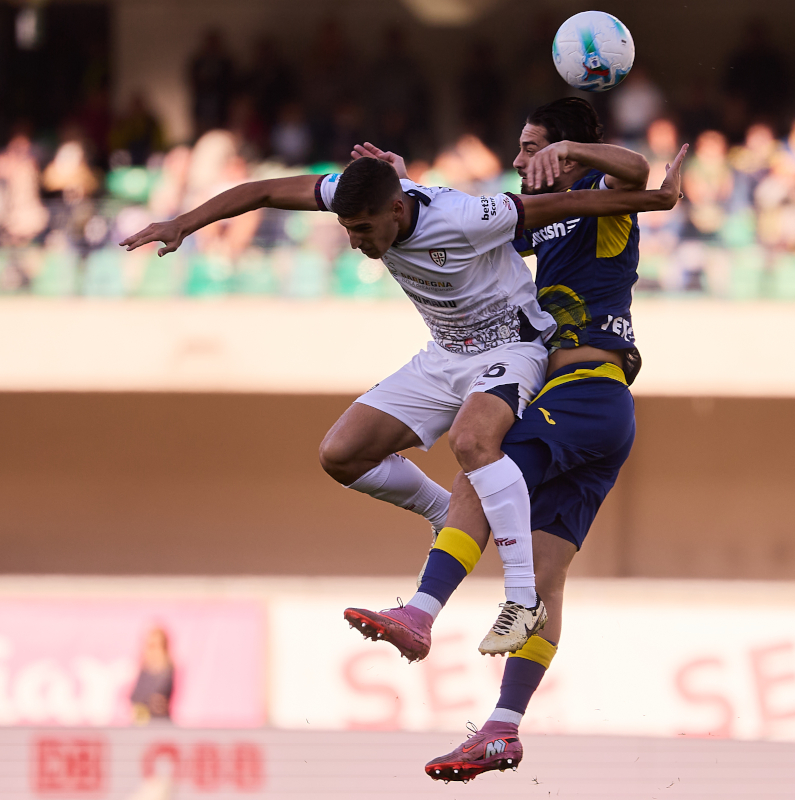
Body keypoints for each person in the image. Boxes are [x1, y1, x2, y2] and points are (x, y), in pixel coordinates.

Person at [120, 139, 686, 651]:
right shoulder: (359, 193)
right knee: (341, 454)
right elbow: (264, 189)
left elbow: (560, 207)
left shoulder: (465, 216)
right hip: (443, 355)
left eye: (363, 230)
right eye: (346, 227)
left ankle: (520, 598)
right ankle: (449, 516)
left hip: (511, 349)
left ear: (396, 209)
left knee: (473, 441)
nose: (355, 240)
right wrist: (183, 223)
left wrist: (654, 203)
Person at [344, 98, 666, 782]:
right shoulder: (541, 226)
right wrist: (401, 185)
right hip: (600, 409)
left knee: (476, 461)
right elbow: (458, 225)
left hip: (582, 394)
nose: (518, 161)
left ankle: (422, 613)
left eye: (530, 148)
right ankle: (502, 730)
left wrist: (576, 154)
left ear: (564, 151)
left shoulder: (606, 204)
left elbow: (637, 168)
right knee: (547, 576)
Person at [129, 627, 174, 724]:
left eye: (154, 646)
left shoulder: (166, 672)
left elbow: (155, 698)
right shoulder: (143, 669)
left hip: (158, 724)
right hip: (140, 724)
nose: (151, 651)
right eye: (148, 646)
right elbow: (135, 698)